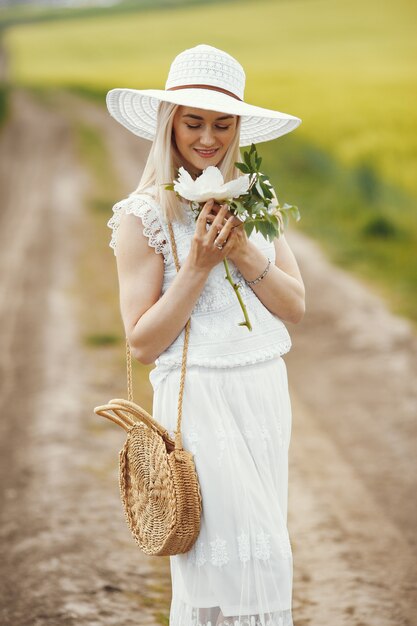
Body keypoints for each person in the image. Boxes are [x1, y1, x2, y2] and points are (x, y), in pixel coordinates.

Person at [106, 44, 305, 626]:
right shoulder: (142, 215)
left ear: (239, 127)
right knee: (223, 568)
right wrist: (196, 266)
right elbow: (142, 344)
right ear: (170, 124)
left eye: (223, 124)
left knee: (267, 556)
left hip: (263, 393)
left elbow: (295, 306)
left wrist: (242, 251)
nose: (208, 139)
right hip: (201, 401)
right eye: (194, 123)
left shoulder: (257, 199)